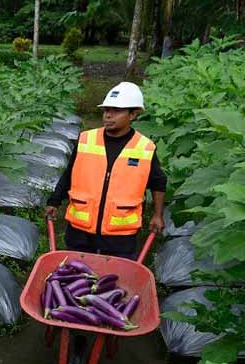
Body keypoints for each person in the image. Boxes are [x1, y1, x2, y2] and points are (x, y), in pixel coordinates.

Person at [43, 81, 166, 261]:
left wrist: (157, 215)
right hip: (81, 228)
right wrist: (54, 201)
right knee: (77, 273)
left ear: (132, 114)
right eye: (106, 110)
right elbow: (70, 173)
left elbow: (158, 183)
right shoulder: (86, 139)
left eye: (116, 110)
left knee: (115, 276)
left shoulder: (144, 148)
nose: (108, 115)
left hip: (120, 234)